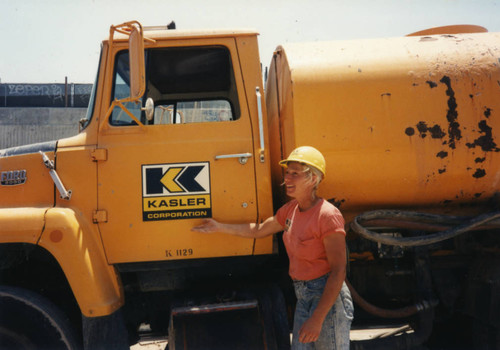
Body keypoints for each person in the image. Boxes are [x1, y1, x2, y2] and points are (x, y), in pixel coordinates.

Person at [192, 146, 354, 349]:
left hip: (327, 299)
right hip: (304, 296)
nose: (288, 178)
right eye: (287, 172)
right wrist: (219, 227)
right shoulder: (290, 211)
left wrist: (317, 319)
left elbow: (338, 271)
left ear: (313, 179)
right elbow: (259, 230)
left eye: (295, 174)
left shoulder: (327, 215)